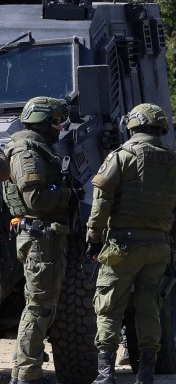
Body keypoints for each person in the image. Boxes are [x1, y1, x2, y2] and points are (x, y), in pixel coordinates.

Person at [86, 103, 176, 384]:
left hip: (122, 246)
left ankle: (105, 373)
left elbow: (101, 203)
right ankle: (146, 373)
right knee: (149, 307)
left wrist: (93, 240)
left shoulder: (121, 157)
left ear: (132, 126)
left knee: (109, 307)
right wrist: (173, 245)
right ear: (160, 129)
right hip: (158, 248)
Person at [4, 97, 78, 384]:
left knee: (39, 305)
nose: (60, 128)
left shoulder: (35, 148)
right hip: (40, 236)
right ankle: (26, 373)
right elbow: (36, 198)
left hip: (43, 237)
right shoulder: (27, 152)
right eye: (57, 122)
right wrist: (69, 195)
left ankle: (25, 367)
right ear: (45, 123)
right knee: (39, 307)